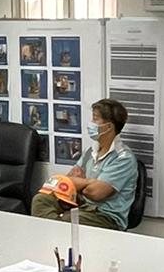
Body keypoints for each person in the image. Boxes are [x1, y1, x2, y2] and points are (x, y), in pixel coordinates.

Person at [31, 98, 140, 230]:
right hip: (81, 204)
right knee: (40, 200)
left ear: (109, 127)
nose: (91, 124)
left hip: (105, 216)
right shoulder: (91, 150)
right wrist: (89, 182)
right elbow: (68, 181)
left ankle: (53, 234)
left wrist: (83, 183)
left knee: (66, 221)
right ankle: (53, 232)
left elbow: (95, 193)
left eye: (95, 119)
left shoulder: (123, 158)